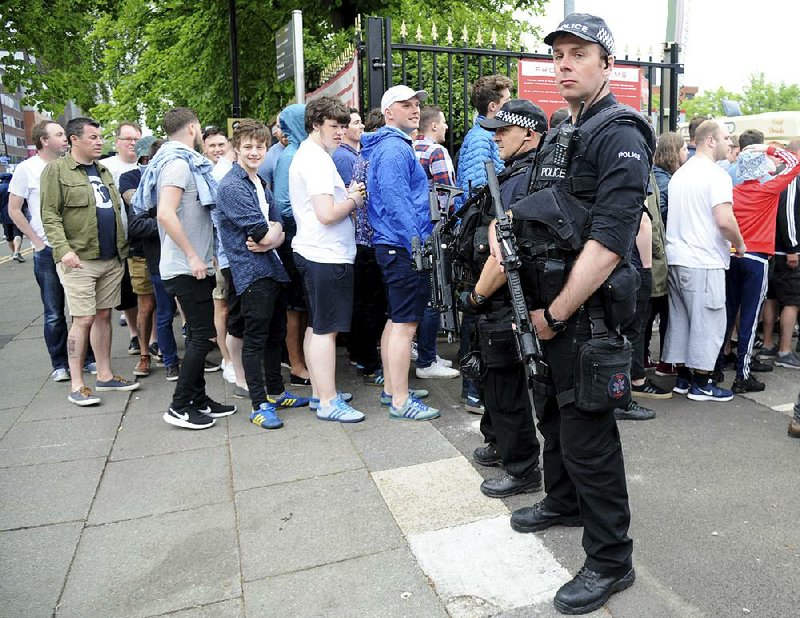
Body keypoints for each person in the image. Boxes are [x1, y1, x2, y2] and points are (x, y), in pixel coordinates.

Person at [500, 15, 655, 613]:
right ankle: (562, 502)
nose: (564, 63)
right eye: (558, 54)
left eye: (578, 54)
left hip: (581, 315)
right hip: (547, 306)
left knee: (589, 437)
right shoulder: (566, 127)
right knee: (554, 418)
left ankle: (611, 561)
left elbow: (611, 241)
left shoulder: (619, 133)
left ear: (605, 64)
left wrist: (557, 314)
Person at [458, 99, 546, 497]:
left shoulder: (522, 180)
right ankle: (499, 445)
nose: (494, 137)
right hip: (497, 297)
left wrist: (476, 297)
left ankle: (523, 468)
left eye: (502, 130)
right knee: (492, 382)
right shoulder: (516, 174)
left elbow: (503, 252)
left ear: (528, 133)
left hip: (501, 297)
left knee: (505, 388)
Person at [135, 107, 235, 429]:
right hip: (184, 266)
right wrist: (193, 256)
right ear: (193, 128)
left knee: (197, 332)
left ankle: (198, 399)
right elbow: (164, 213)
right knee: (201, 336)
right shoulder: (179, 164)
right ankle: (179, 406)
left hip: (195, 264)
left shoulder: (182, 161)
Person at [40, 117, 141, 406]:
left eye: (100, 137)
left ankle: (106, 375)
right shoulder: (56, 171)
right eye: (93, 137)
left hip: (111, 256)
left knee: (103, 316)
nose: (99, 142)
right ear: (74, 140)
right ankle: (77, 384)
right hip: (79, 259)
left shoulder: (103, 170)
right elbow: (50, 215)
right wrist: (64, 250)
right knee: (82, 318)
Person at [217, 118, 309, 429]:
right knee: (255, 340)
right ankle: (259, 404)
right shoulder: (231, 186)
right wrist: (271, 234)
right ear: (236, 149)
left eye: (259, 146)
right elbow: (258, 231)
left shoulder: (259, 182)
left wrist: (275, 235)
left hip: (271, 268)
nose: (254, 152)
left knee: (275, 335)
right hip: (251, 273)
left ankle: (277, 391)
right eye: (248, 147)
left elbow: (277, 223)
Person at [361, 85, 442, 421]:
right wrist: (417, 241)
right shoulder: (395, 149)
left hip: (393, 244)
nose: (414, 109)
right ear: (388, 113)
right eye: (405, 105)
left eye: (415, 104)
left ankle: (393, 389)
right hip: (402, 245)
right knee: (405, 324)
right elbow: (396, 201)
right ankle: (400, 400)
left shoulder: (391, 145)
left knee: (397, 320)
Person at [289, 96, 365, 423]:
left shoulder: (311, 155)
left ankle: (322, 392)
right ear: (316, 124)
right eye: (333, 126)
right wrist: (353, 198)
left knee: (317, 326)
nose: (339, 132)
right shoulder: (316, 161)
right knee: (326, 331)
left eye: (342, 126)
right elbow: (327, 214)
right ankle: (329, 401)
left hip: (315, 252)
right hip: (326, 255)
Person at [7, 120, 96, 381]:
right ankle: (59, 364)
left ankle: (87, 358)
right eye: (58, 134)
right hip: (48, 251)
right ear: (44, 141)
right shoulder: (27, 169)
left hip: (77, 248)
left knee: (82, 310)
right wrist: (36, 240)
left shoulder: (74, 166)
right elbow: (14, 209)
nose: (65, 138)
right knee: (54, 311)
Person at [663, 119, 745, 402]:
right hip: (704, 258)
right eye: (725, 138)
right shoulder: (716, 176)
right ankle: (701, 382)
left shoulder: (680, 175)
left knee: (683, 321)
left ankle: (684, 379)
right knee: (708, 321)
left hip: (678, 257)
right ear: (710, 140)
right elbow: (724, 220)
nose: (729, 144)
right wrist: (740, 242)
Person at [721, 142, 800, 393]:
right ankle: (742, 374)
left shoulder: (733, 191)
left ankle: (715, 366)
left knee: (727, 312)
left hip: (732, 255)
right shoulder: (768, 189)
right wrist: (769, 148)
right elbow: (795, 163)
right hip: (756, 258)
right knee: (749, 318)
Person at [412, 104, 461, 382]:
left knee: (419, 294)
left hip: (413, 231)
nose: (445, 127)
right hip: (434, 230)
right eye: (443, 123)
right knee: (434, 295)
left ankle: (424, 351)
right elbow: (447, 194)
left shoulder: (408, 147)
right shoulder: (436, 151)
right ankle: (428, 359)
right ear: (433, 126)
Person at [273, 104, 312, 387]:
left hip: (300, 237)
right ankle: (297, 366)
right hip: (291, 240)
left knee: (302, 306)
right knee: (294, 307)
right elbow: (283, 205)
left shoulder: (302, 151)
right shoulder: (291, 156)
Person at [119, 135, 159, 378]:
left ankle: (166, 350)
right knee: (146, 304)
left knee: (171, 305)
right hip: (141, 252)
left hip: (169, 248)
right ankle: (144, 354)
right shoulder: (130, 178)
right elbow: (135, 201)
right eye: (147, 158)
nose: (150, 161)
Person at [103, 122, 143, 354]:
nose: (132, 143)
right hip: (115, 240)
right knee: (126, 292)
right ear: (117, 141)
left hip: (140, 238)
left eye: (136, 139)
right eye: (127, 138)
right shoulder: (105, 167)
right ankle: (134, 334)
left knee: (146, 293)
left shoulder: (147, 165)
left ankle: (149, 335)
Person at [761, 139, 800, 369]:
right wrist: (793, 248)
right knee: (792, 301)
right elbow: (787, 213)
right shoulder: (791, 176)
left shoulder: (777, 173)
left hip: (773, 247)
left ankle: (767, 344)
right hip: (786, 250)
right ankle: (785, 350)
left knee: (772, 298)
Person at [201, 126, 235, 382]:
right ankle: (227, 358)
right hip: (218, 253)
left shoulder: (233, 171)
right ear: (204, 148)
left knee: (233, 308)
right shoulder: (203, 175)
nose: (217, 150)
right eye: (212, 146)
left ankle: (236, 356)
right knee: (222, 307)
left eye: (221, 145)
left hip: (235, 252)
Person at [332, 107, 363, 186]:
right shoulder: (344, 158)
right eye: (356, 123)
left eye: (361, 122)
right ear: (344, 129)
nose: (362, 126)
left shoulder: (350, 154)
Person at [1, 173, 24, 262]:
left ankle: (14, 252)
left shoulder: (0, 188)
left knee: (9, 236)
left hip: (4, 214)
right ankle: (17, 251)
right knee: (17, 233)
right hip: (17, 212)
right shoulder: (15, 187)